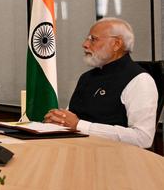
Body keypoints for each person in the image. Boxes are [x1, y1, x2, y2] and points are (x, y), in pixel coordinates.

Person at [44, 18, 157, 148]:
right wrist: (58, 119)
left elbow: (143, 138)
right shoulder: (86, 77)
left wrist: (79, 125)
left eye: (93, 39)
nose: (85, 44)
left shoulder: (140, 80)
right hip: (76, 151)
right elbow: (72, 117)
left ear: (116, 44)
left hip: (116, 160)